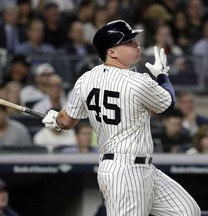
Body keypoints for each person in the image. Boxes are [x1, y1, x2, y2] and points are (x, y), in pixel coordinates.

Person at [41, 20, 201, 215]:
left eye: (134, 39)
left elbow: (66, 121)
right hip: (123, 171)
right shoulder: (136, 81)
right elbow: (168, 103)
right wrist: (162, 76)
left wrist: (55, 119)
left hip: (143, 168)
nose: (136, 43)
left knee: (187, 211)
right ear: (112, 52)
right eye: (128, 42)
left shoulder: (86, 79)